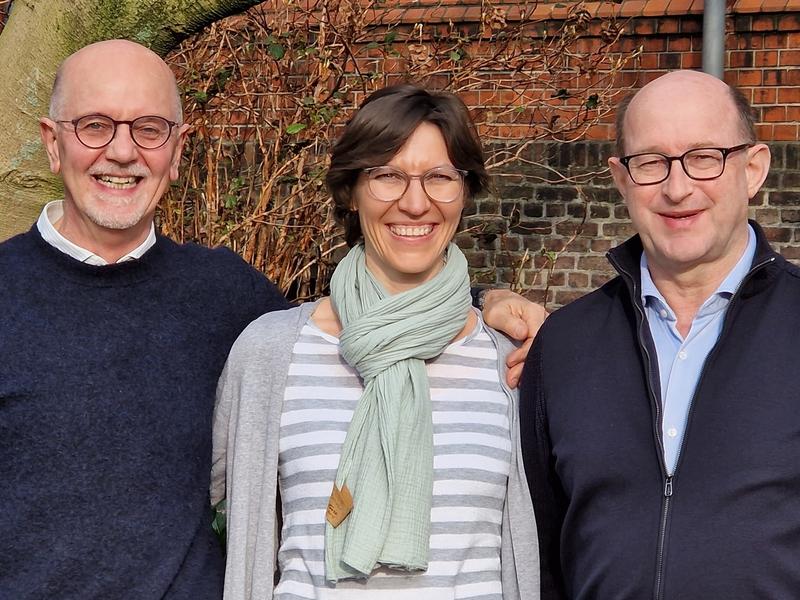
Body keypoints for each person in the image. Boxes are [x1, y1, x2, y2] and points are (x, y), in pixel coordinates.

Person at [0, 40, 545, 599]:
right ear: (51, 142)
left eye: (149, 128)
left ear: (179, 148)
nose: (121, 151)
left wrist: (485, 302)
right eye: (94, 125)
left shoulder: (227, 298)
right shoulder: (266, 346)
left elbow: (384, 306)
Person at [212, 84, 540, 600]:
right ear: (351, 191)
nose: (415, 203)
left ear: (465, 190)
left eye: (439, 177)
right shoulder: (269, 353)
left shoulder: (514, 359)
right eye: (387, 176)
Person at [519, 69, 799, 599]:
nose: (677, 187)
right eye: (651, 162)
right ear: (621, 178)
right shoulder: (564, 346)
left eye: (704, 157)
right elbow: (543, 554)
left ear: (754, 168)